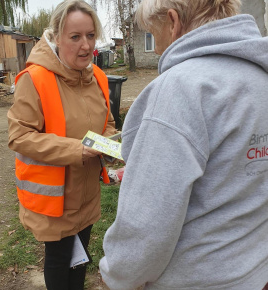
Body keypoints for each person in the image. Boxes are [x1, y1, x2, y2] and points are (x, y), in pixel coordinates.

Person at [99, 0, 268, 289]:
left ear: (174, 22)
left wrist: (116, 274)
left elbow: (147, 226)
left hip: (197, 279)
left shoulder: (182, 89)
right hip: (254, 270)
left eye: (155, 35)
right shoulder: (260, 78)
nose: (156, 49)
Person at [7, 1, 116, 289]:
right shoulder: (35, 79)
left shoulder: (98, 79)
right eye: (75, 37)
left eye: (91, 36)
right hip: (55, 201)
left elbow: (108, 125)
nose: (86, 46)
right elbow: (19, 136)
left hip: (87, 196)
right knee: (59, 261)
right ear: (56, 37)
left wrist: (113, 147)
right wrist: (76, 150)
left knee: (80, 259)